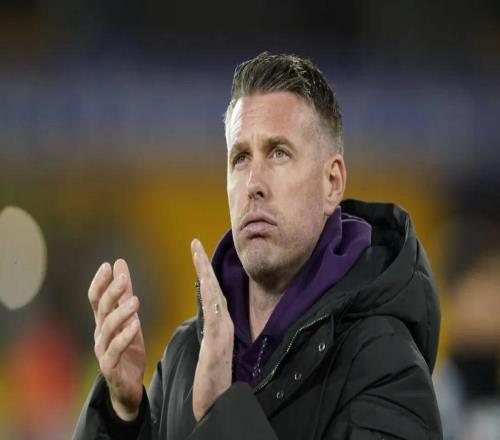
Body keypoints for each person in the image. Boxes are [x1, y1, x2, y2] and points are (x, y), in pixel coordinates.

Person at [74, 52, 442, 439]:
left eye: (279, 153)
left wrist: (222, 413)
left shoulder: (386, 362)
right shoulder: (185, 354)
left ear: (332, 182)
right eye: (241, 158)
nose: (254, 183)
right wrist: (121, 414)